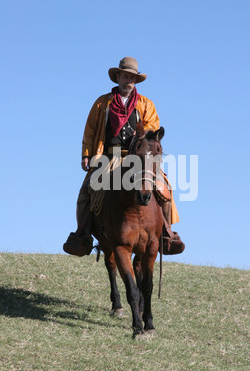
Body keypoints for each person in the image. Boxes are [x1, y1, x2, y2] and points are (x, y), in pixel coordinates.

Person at [63, 57, 185, 257]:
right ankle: (82, 236)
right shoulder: (102, 103)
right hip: (109, 156)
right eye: (125, 75)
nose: (129, 80)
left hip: (139, 157)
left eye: (132, 77)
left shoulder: (146, 104)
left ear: (135, 81)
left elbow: (153, 129)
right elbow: (90, 131)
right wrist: (87, 154)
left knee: (164, 188)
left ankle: (166, 234)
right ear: (117, 77)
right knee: (86, 191)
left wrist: (143, 142)